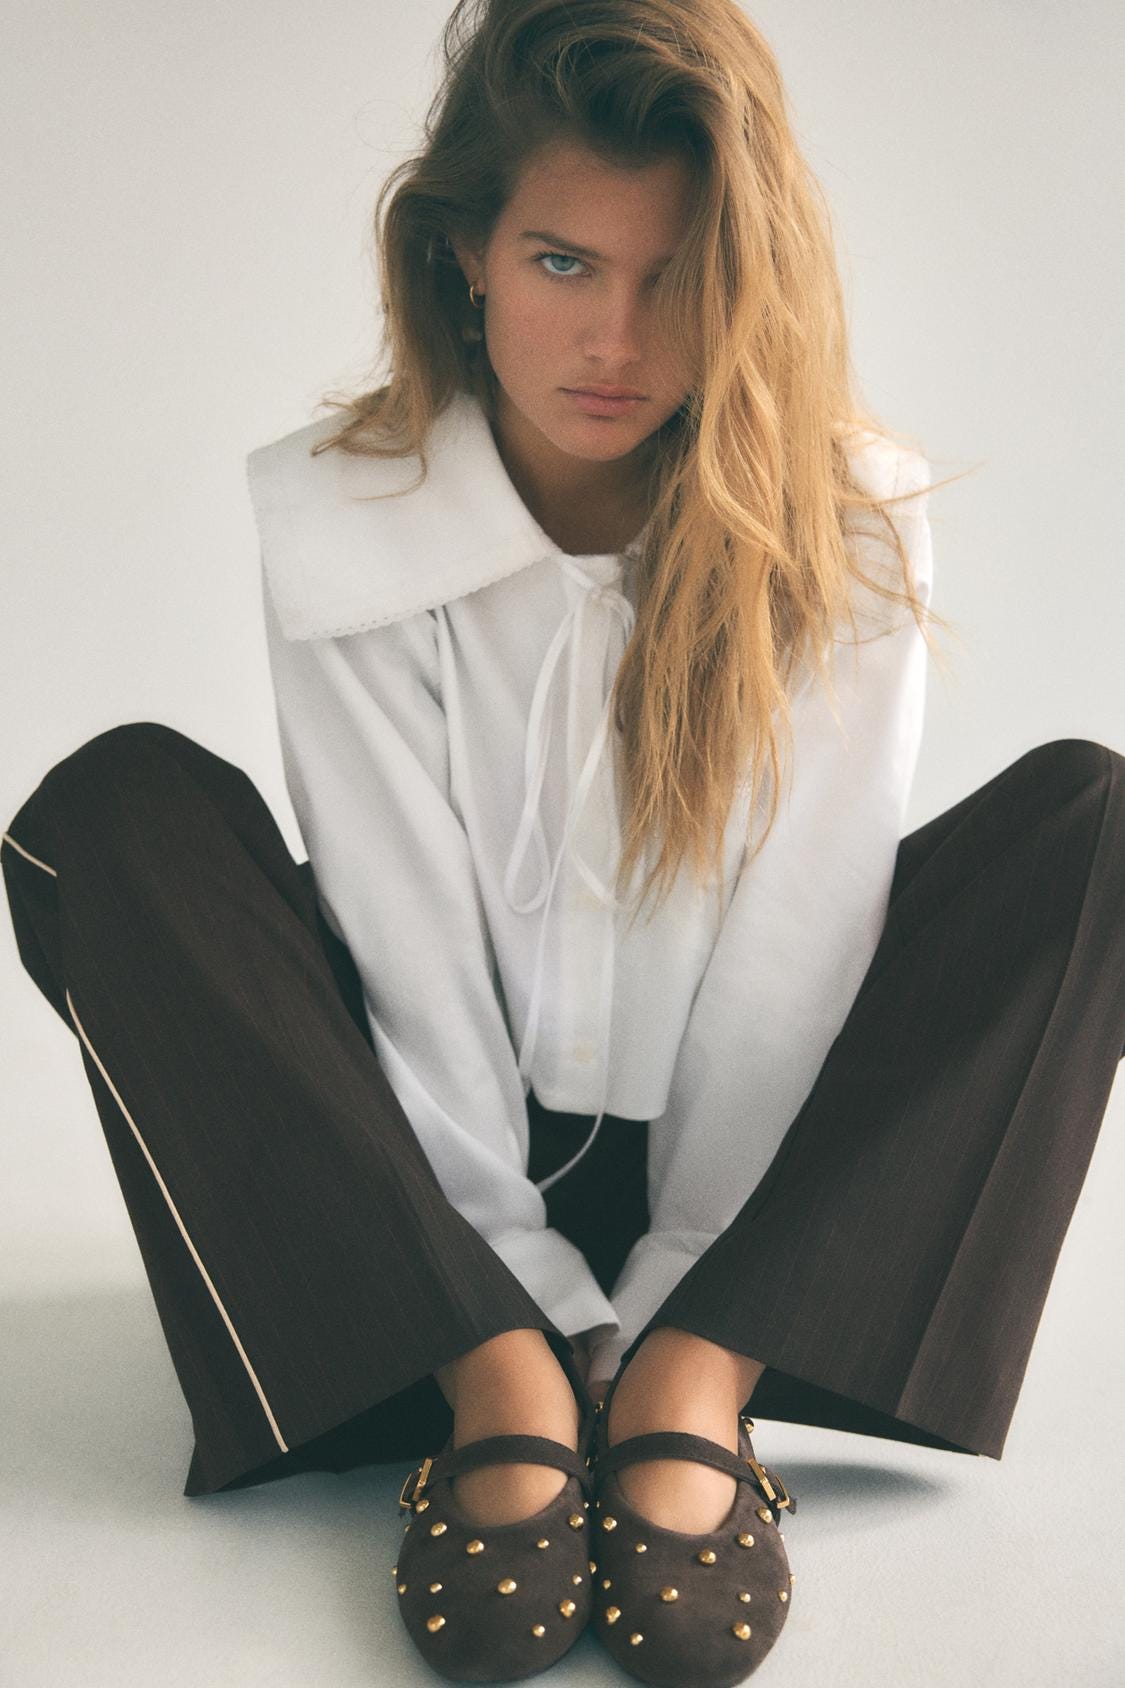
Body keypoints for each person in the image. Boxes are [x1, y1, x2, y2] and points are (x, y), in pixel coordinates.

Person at [4, 1, 1123, 1684]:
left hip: (770, 1221)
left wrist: (683, 1323)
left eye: (675, 275)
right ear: (461, 255)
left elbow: (800, 948)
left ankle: (702, 1383)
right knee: (107, 817)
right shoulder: (341, 510)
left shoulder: (847, 528)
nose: (615, 337)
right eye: (559, 264)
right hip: (409, 1208)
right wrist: (509, 1321)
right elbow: (399, 930)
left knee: (1098, 820)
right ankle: (491, 1386)